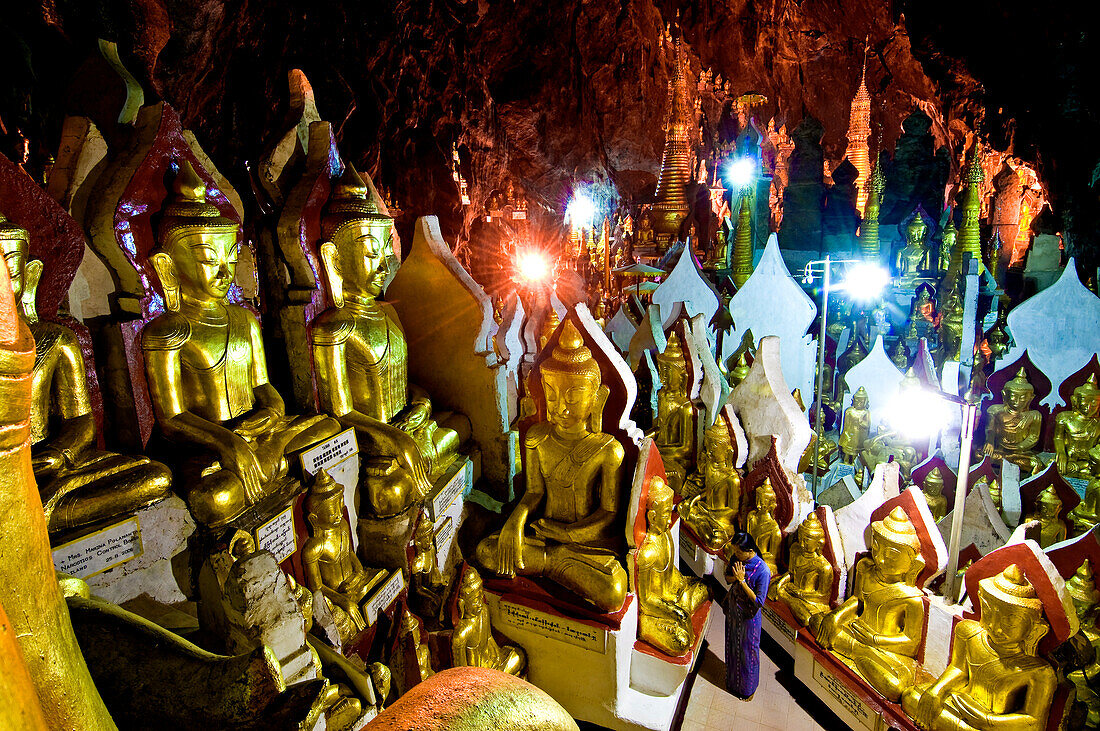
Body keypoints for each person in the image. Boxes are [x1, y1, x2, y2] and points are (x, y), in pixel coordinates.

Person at [723, 530, 770, 700]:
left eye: (738, 551)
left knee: (748, 654)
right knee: (732, 647)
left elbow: (758, 602)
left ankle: (747, 690)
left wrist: (742, 581)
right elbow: (727, 578)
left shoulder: (763, 571)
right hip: (733, 611)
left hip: (749, 618)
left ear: (750, 551)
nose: (735, 555)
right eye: (735, 551)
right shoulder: (737, 559)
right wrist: (735, 578)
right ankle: (732, 683)